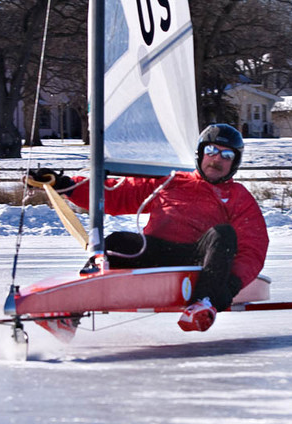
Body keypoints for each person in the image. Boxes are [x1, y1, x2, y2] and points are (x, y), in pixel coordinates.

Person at [28, 124, 269, 332]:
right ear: (200, 153)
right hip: (156, 253)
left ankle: (203, 304)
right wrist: (65, 185)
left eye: (226, 155)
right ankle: (69, 314)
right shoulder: (171, 179)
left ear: (235, 163)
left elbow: (253, 248)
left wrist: (228, 288)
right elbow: (116, 194)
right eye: (211, 150)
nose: (217, 159)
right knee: (115, 243)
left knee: (223, 234)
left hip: (196, 263)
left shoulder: (238, 197)